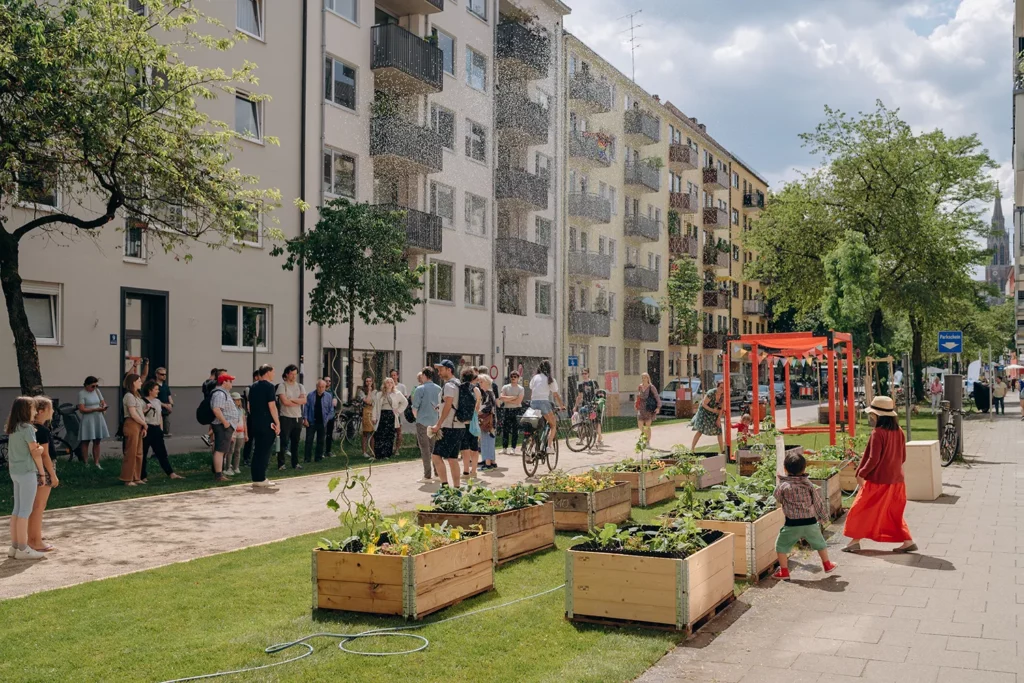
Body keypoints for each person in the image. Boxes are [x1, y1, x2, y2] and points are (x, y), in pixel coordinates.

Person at [843, 396, 916, 553]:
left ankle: (854, 541)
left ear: (877, 415)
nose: (871, 416)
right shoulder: (899, 431)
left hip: (879, 481)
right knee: (892, 512)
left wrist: (861, 473)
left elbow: (873, 459)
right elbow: (903, 457)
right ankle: (908, 540)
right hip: (897, 481)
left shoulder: (878, 433)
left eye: (872, 414)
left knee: (860, 508)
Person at [771, 452, 839, 580]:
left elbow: (777, 496)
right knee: (820, 543)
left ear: (785, 469)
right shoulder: (808, 485)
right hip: (810, 522)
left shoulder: (784, 486)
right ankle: (827, 564)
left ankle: (784, 572)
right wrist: (823, 517)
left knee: (781, 546)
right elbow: (817, 501)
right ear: (804, 469)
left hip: (792, 524)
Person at [6, 396, 46, 560]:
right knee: (25, 511)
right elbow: (35, 453)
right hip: (27, 471)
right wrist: (42, 472)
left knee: (17, 509)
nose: (35, 411)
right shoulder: (28, 429)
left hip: (15, 471)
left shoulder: (13, 428)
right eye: (33, 408)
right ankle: (23, 548)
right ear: (25, 410)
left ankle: (15, 546)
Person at [28, 397, 58, 552]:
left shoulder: (30, 428)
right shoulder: (42, 430)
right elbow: (45, 455)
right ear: (40, 412)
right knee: (39, 505)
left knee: (34, 505)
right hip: (44, 469)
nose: (52, 411)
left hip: (33, 469)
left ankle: (33, 535)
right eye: (49, 409)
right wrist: (52, 475)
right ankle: (35, 540)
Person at [431, 360, 466, 488]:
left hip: (449, 427)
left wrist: (438, 424)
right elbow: (451, 404)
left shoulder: (449, 385)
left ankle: (445, 487)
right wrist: (440, 407)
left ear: (449, 370)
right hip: (459, 426)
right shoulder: (458, 383)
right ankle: (456, 488)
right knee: (452, 459)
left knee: (435, 457)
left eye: (441, 369)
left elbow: (449, 403)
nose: (438, 372)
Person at [140, 380, 183, 481]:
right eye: (156, 389)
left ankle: (171, 473)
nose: (158, 391)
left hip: (156, 428)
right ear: (150, 391)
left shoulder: (157, 401)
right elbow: (140, 415)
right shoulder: (142, 402)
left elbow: (159, 416)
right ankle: (143, 476)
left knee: (162, 453)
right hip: (147, 428)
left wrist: (161, 429)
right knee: (143, 453)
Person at [248, 364, 281, 489]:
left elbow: (249, 407)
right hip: (267, 423)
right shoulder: (269, 387)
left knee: (257, 450)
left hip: (255, 423)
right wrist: (277, 422)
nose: (274, 375)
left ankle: (256, 477)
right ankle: (261, 478)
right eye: (273, 372)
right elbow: (272, 406)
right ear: (267, 372)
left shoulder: (253, 386)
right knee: (265, 451)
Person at [412, 367, 441, 482]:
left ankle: (427, 475)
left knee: (425, 448)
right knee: (435, 448)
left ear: (424, 375)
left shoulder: (420, 389)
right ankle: (438, 473)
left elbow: (415, 407)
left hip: (422, 421)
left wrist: (417, 417)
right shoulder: (439, 388)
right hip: (435, 421)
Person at [275, 364, 306, 471]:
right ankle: (281, 464)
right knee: (284, 442)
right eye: (291, 374)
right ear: (287, 374)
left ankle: (295, 463)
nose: (293, 376)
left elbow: (304, 400)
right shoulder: (282, 386)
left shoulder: (300, 386)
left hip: (297, 417)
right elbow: (284, 401)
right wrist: (296, 401)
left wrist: (291, 400)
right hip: (286, 417)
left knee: (295, 442)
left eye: (295, 374)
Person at [529, 361, 565, 451]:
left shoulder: (534, 378)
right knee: (553, 425)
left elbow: (532, 389)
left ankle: (530, 448)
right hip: (544, 403)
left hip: (533, 403)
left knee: (534, 427)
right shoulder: (549, 379)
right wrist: (562, 406)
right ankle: (549, 446)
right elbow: (555, 395)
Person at [119, 373, 147, 486]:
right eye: (139, 381)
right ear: (133, 383)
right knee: (131, 452)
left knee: (139, 452)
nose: (141, 383)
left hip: (139, 424)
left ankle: (136, 476)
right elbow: (133, 413)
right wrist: (144, 423)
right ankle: (127, 478)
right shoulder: (129, 396)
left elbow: (139, 412)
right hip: (132, 424)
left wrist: (143, 425)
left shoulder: (137, 396)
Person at [210, 373, 238, 481]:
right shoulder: (220, 394)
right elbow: (216, 409)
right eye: (229, 381)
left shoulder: (224, 393)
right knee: (220, 450)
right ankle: (218, 474)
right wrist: (225, 423)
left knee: (222, 450)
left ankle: (219, 473)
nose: (231, 383)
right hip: (222, 426)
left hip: (225, 426)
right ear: (224, 382)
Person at [77, 376, 109, 467]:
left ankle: (97, 462)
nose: (94, 388)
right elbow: (82, 409)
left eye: (96, 386)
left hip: (98, 417)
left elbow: (102, 401)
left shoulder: (97, 391)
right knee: (86, 440)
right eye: (92, 386)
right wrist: (95, 409)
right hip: (88, 418)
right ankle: (86, 462)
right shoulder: (82, 393)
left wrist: (103, 406)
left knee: (97, 440)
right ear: (86, 385)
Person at [372, 377, 408, 460]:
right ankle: (379, 454)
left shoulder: (397, 393)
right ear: (384, 384)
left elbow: (405, 402)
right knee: (379, 434)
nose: (389, 384)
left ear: (393, 384)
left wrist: (398, 411)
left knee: (389, 434)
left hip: (391, 415)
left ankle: (387, 454)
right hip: (381, 415)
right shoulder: (379, 394)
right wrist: (374, 417)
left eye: (391, 382)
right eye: (387, 382)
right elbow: (375, 406)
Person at [690, 380, 725, 455]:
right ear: (717, 387)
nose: (722, 389)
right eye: (721, 387)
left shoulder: (723, 395)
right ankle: (692, 449)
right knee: (700, 430)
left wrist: (718, 419)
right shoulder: (711, 393)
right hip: (704, 411)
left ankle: (722, 450)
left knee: (719, 430)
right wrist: (712, 410)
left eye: (724, 388)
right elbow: (703, 404)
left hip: (714, 412)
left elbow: (721, 407)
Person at [303, 379, 334, 463]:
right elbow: (306, 408)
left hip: (323, 422)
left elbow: (331, 410)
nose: (321, 388)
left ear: (325, 387)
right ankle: (307, 458)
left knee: (321, 441)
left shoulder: (328, 396)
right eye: (319, 387)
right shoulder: (310, 395)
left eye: (323, 387)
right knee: (309, 441)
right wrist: (305, 419)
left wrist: (327, 419)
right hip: (311, 421)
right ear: (316, 387)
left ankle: (318, 457)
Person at [575, 368, 604, 445]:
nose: (584, 375)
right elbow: (579, 396)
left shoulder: (593, 382)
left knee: (596, 422)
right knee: (582, 422)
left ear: (588, 374)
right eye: (583, 374)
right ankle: (581, 439)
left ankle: (599, 438)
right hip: (585, 405)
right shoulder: (581, 384)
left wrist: (600, 401)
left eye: (585, 373)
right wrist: (575, 406)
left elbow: (598, 393)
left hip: (594, 405)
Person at [498, 371, 525, 454]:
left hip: (517, 410)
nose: (513, 378)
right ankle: (504, 448)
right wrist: (514, 397)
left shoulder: (521, 388)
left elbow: (519, 401)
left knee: (515, 430)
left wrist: (508, 399)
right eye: (512, 376)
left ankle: (513, 448)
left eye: (515, 376)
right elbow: (501, 398)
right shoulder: (505, 387)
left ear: (518, 378)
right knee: (505, 429)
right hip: (507, 409)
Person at [477, 371, 497, 470]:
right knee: (490, 441)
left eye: (481, 382)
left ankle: (488, 463)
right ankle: (492, 462)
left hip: (488, 421)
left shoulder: (488, 393)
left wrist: (479, 412)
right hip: (491, 421)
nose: (479, 383)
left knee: (486, 441)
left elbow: (488, 407)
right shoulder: (490, 392)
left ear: (486, 382)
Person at [634, 372, 661, 445]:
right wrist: (636, 404)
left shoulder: (651, 387)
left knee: (647, 425)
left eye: (645, 378)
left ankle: (647, 441)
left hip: (649, 408)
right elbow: (638, 396)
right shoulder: (640, 386)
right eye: (642, 378)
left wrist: (658, 407)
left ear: (648, 378)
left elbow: (656, 396)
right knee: (640, 424)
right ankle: (645, 437)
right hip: (641, 407)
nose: (643, 379)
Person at [200, 368, 224, 448]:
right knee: (217, 421)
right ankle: (208, 436)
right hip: (214, 403)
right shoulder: (214, 383)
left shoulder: (205, 382)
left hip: (207, 403)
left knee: (212, 421)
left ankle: (210, 439)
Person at [241, 370, 259, 466]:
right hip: (252, 416)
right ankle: (246, 458)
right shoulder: (250, 388)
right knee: (250, 438)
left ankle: (255, 458)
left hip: (260, 416)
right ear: (256, 377)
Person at [357, 376, 378, 459]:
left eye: (370, 381)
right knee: (365, 432)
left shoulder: (375, 391)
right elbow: (367, 401)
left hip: (373, 410)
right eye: (367, 381)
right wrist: (369, 390)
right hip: (366, 411)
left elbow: (375, 402)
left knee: (373, 432)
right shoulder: (361, 391)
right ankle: (364, 451)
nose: (368, 383)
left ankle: (372, 450)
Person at [389, 368, 408, 454]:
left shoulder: (402, 387)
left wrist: (399, 409)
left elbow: (404, 399)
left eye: (394, 375)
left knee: (398, 430)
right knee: (390, 431)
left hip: (398, 412)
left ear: (397, 376)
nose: (393, 377)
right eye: (392, 375)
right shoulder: (388, 386)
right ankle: (390, 448)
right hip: (389, 411)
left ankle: (397, 449)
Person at [228, 392, 246, 475]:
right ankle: (228, 467)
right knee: (230, 450)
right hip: (233, 432)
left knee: (238, 450)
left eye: (239, 400)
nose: (238, 402)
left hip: (241, 432)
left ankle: (236, 467)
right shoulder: (230, 410)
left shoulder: (241, 410)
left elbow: (244, 422)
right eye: (236, 400)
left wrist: (246, 434)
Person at [154, 367, 174, 436]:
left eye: (165, 374)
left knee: (166, 428)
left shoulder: (165, 386)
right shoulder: (154, 386)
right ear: (157, 375)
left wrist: (171, 405)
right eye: (162, 374)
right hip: (157, 410)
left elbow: (169, 397)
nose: (164, 376)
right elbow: (154, 399)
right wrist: (165, 405)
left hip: (165, 410)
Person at [323, 376, 337, 457]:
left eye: (329, 381)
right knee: (322, 434)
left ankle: (328, 451)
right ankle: (321, 451)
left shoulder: (332, 391)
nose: (328, 382)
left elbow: (334, 403)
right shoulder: (321, 390)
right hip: (323, 416)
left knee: (329, 434)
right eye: (326, 381)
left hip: (331, 415)